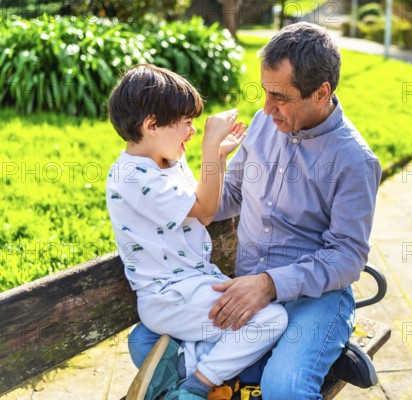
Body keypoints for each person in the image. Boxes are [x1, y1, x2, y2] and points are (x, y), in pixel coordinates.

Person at [128, 22, 383, 399]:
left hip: (313, 300)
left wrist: (269, 285)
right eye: (265, 92)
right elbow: (228, 196)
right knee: (144, 341)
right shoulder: (265, 124)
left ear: (321, 92)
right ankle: (311, 358)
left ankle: (299, 354)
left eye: (280, 96)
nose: (266, 108)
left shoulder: (354, 160)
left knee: (284, 389)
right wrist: (168, 192)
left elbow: (348, 257)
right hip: (246, 291)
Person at [106, 64, 288, 400]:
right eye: (187, 123)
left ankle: (181, 369)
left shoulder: (167, 162)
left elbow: (201, 209)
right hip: (170, 296)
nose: (193, 131)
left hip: (192, 286)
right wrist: (209, 147)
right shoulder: (133, 177)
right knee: (271, 320)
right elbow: (204, 210)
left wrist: (216, 156)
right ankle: (196, 386)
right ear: (151, 125)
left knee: (252, 326)